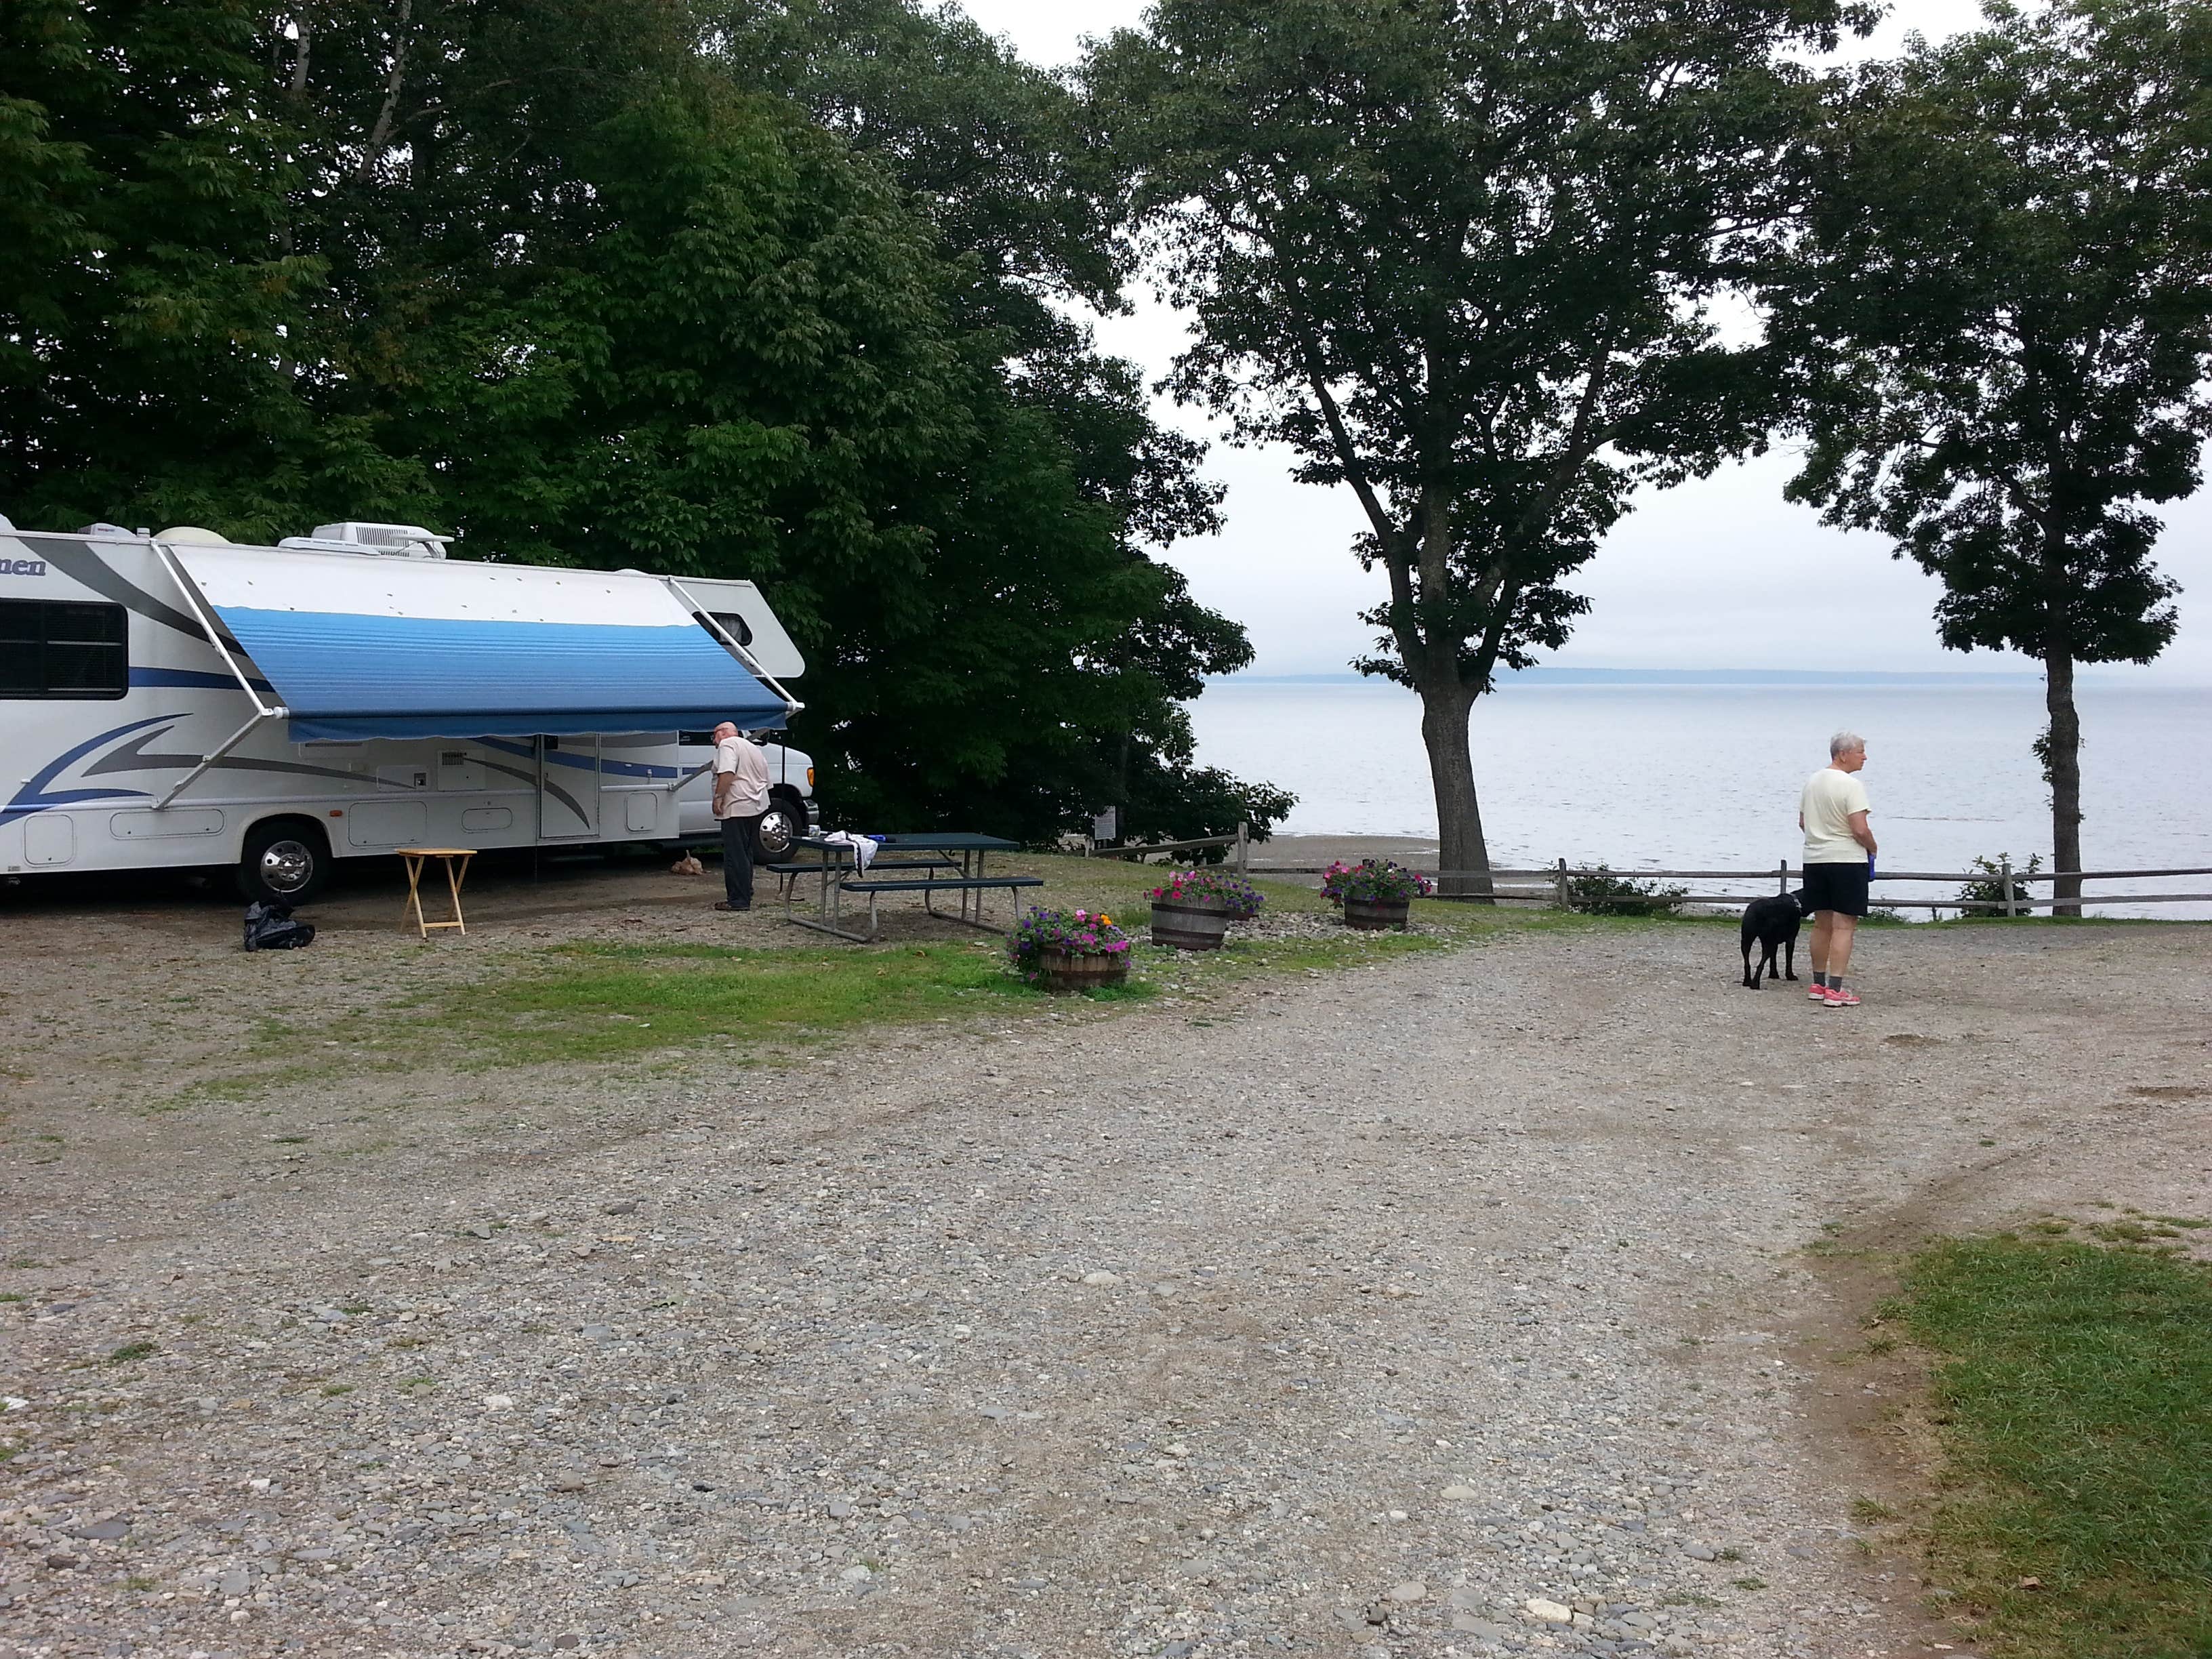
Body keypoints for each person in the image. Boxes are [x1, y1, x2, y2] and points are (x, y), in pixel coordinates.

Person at [1799, 730, 1877, 1008]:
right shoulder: (1851, 785)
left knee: (1822, 923)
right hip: (1846, 860)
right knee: (1844, 925)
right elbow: (1859, 828)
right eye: (1860, 751)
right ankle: (1835, 989)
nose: (1864, 757)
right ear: (1843, 754)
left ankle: (1818, 984)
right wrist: (1873, 847)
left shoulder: (1812, 782)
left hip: (1815, 859)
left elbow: (1802, 822)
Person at [711, 720, 771, 912]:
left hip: (736, 805)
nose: (714, 742)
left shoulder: (728, 745)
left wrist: (719, 797)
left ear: (722, 733)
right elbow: (766, 779)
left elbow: (727, 772)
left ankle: (738, 899)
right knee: (746, 852)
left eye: (714, 736)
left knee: (734, 854)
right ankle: (746, 891)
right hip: (755, 805)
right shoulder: (752, 747)